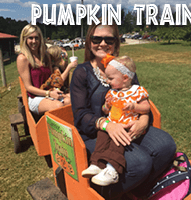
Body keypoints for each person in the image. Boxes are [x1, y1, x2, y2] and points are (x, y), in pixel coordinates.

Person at [70, 19, 176, 199]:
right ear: (89, 42)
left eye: (109, 40)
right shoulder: (82, 72)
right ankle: (104, 193)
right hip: (97, 133)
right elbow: (80, 114)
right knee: (140, 163)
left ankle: (137, 188)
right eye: (96, 39)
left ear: (116, 43)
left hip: (130, 125)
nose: (102, 43)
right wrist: (107, 125)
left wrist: (142, 121)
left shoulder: (123, 68)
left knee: (166, 146)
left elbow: (140, 98)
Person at [82, 54, 151, 187]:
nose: (107, 81)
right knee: (101, 136)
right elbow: (105, 111)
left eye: (111, 78)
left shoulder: (137, 91)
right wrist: (106, 106)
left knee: (116, 143)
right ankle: (97, 163)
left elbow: (146, 107)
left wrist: (134, 106)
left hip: (126, 127)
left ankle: (113, 169)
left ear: (125, 78)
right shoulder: (112, 92)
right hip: (111, 124)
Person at [17, 24, 77, 115]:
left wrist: (54, 90)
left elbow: (52, 78)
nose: (34, 41)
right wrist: (48, 93)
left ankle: (72, 128)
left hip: (50, 92)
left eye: (36, 38)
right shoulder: (23, 58)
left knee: (71, 100)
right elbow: (28, 87)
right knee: (58, 106)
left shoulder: (45, 56)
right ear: (25, 39)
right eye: (30, 38)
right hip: (35, 98)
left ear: (40, 39)